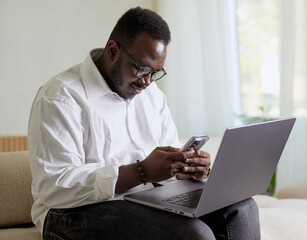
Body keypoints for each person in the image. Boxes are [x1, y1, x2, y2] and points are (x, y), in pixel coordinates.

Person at [28, 7, 260, 240]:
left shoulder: (151, 95)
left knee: (242, 209)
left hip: (144, 199)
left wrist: (185, 168)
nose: (147, 81)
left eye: (156, 72)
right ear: (112, 50)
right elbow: (54, 187)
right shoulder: (60, 97)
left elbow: (167, 159)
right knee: (192, 234)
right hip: (69, 214)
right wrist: (141, 172)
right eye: (141, 68)